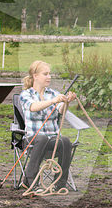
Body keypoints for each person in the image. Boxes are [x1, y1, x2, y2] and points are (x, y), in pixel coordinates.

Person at [19, 60, 77, 191]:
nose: (49, 77)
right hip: (32, 139)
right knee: (42, 138)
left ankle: (60, 184)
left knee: (66, 141)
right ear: (35, 76)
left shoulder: (52, 93)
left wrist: (67, 102)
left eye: (49, 74)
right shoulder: (25, 95)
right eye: (45, 74)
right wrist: (53, 101)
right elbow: (33, 107)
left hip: (53, 140)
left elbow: (61, 110)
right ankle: (30, 181)